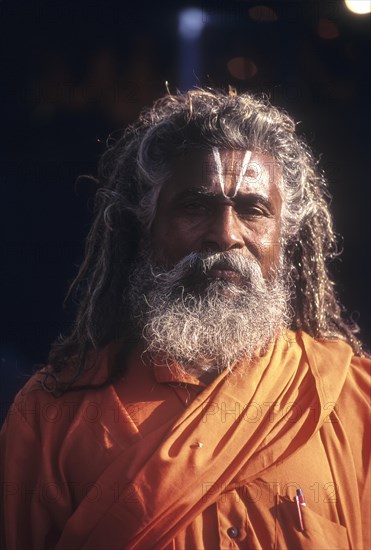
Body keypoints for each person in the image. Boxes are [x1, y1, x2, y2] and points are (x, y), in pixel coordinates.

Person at [1, 88, 370, 550]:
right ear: (145, 227)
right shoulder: (51, 415)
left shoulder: (354, 402)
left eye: (253, 210)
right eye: (194, 207)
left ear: (285, 237)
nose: (225, 235)